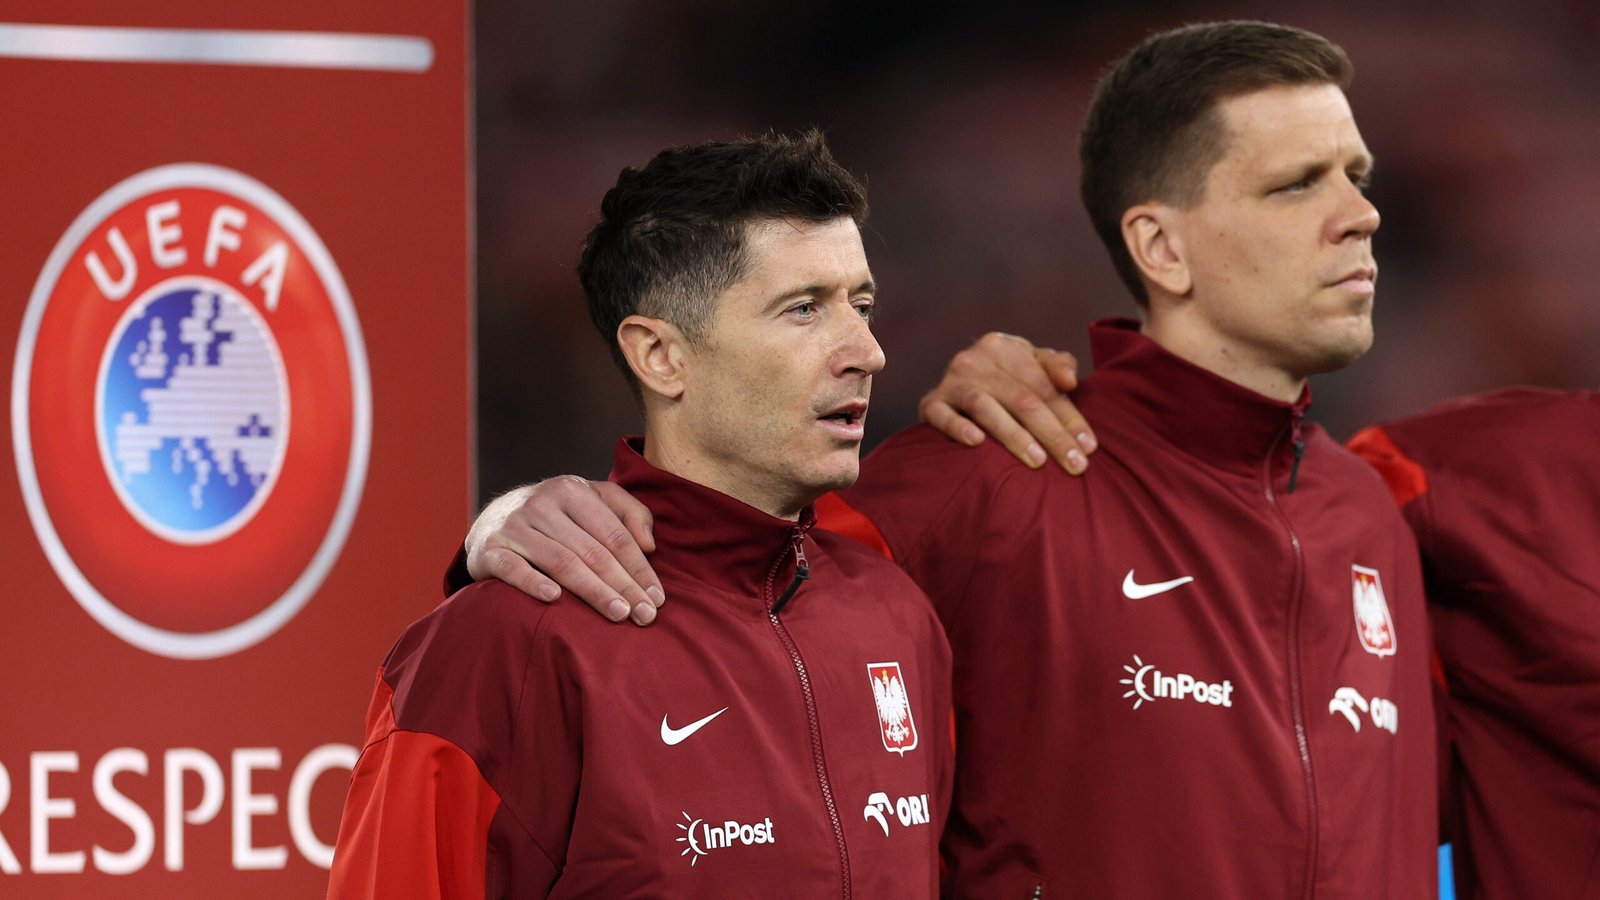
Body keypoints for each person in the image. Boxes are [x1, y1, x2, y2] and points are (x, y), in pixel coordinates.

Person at [454, 22, 1438, 897]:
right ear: (1160, 247)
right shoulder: (988, 474)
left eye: (1356, 175)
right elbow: (720, 565)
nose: (1361, 214)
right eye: (1297, 182)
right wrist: (504, 527)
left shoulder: (1376, 509)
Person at [326, 131, 953, 897]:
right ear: (661, 356)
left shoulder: (897, 613)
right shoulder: (502, 648)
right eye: (803, 310)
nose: (868, 350)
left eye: (861, 304)